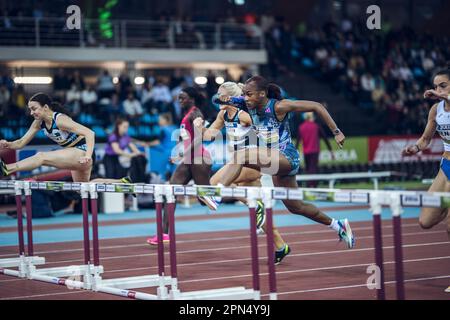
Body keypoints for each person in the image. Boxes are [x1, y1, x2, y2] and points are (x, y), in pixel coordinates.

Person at [211, 75, 355, 249]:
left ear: (262, 94)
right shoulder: (245, 103)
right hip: (274, 162)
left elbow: (316, 106)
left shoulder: (279, 106)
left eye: (249, 95)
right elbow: (216, 99)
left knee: (242, 155)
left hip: (288, 157)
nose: (246, 99)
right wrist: (224, 98)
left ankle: (217, 194)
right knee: (295, 207)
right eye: (244, 95)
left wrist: (336, 131)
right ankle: (337, 224)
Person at [194, 81, 291, 264]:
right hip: (237, 166)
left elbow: (263, 124)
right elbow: (209, 136)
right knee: (259, 212)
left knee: (212, 184)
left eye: (220, 94)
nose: (217, 98)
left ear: (230, 96)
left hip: (251, 165)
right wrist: (199, 128)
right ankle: (281, 246)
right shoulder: (223, 114)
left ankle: (249, 202)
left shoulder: (244, 114)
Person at [0, 92, 131, 186]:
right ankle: (122, 182)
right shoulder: (38, 123)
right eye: (30, 110)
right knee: (84, 187)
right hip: (75, 154)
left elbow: (90, 133)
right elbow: (21, 143)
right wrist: (8, 144)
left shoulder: (61, 120)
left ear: (45, 107)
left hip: (83, 152)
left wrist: (88, 156)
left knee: (41, 156)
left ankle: (8, 169)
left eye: (34, 109)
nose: (31, 113)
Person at [146, 87, 217, 245]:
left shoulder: (196, 113)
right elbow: (186, 138)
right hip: (188, 161)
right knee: (171, 191)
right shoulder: (186, 115)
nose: (179, 101)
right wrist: (180, 151)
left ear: (191, 99)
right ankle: (163, 234)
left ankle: (240, 194)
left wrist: (182, 154)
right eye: (178, 98)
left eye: (182, 98)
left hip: (199, 160)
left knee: (205, 199)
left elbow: (199, 139)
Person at [402, 63, 450, 242]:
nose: (437, 89)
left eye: (443, 85)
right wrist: (414, 148)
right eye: (436, 86)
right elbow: (425, 139)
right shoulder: (436, 110)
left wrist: (442, 95)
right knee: (425, 221)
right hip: (446, 166)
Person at [296, 111, 334, 187]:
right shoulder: (316, 126)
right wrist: (330, 151)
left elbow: (297, 141)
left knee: (308, 169)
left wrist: (294, 153)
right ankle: (312, 186)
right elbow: (325, 138)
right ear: (311, 117)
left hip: (306, 152)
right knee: (313, 169)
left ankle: (309, 185)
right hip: (314, 151)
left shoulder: (301, 127)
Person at [103, 118, 147, 182]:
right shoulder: (113, 136)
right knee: (110, 176)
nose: (126, 129)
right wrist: (129, 155)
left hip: (117, 158)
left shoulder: (126, 137)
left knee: (118, 177)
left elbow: (133, 148)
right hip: (109, 159)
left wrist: (139, 153)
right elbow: (117, 150)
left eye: (127, 127)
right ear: (119, 126)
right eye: (124, 127)